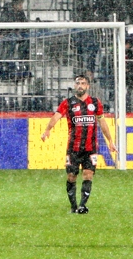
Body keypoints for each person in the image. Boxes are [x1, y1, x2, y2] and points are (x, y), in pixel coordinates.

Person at [40, 74, 118, 214]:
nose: (80, 85)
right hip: (74, 148)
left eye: (83, 83)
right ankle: (73, 206)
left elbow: (102, 122)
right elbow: (56, 117)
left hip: (91, 148)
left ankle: (82, 206)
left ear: (87, 86)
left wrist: (110, 140)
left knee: (88, 175)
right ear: (74, 86)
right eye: (78, 83)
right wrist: (47, 130)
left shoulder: (95, 102)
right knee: (71, 176)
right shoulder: (68, 103)